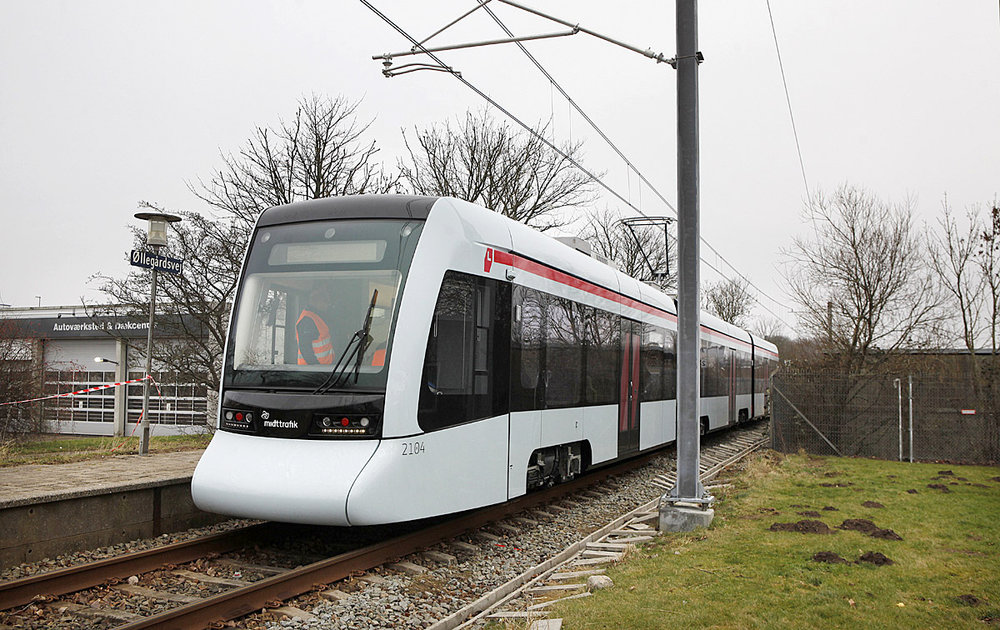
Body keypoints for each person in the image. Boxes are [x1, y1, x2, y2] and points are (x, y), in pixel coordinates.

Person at [296, 289, 334, 365]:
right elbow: (305, 348)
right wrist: (315, 367)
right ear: (316, 302)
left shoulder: (317, 316)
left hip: (323, 368)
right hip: (312, 370)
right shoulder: (307, 320)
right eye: (325, 301)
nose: (328, 305)